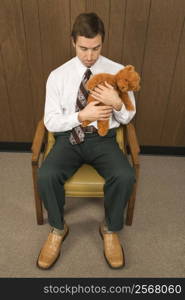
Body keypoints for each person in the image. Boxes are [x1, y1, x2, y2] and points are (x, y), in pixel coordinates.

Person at [37, 12, 136, 270]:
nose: (90, 55)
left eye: (96, 48)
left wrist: (117, 104)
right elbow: (50, 121)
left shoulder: (117, 70)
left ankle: (111, 229)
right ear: (73, 42)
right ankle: (58, 228)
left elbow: (128, 116)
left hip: (103, 139)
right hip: (69, 138)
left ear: (102, 43)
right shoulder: (57, 76)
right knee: (46, 174)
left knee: (125, 176)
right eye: (84, 48)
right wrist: (81, 115)